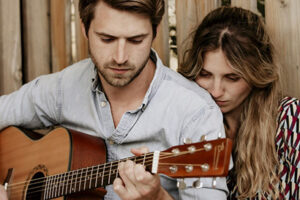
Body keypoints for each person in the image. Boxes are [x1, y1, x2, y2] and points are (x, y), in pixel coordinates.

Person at [0, 0, 230, 199]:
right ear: (84, 28)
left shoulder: (196, 113)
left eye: (136, 40)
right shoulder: (63, 88)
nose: (120, 58)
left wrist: (157, 198)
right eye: (107, 39)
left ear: (156, 31)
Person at [178, 6, 300, 200]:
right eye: (205, 74)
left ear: (257, 74)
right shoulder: (184, 124)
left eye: (232, 77)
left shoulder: (289, 118)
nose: (216, 91)